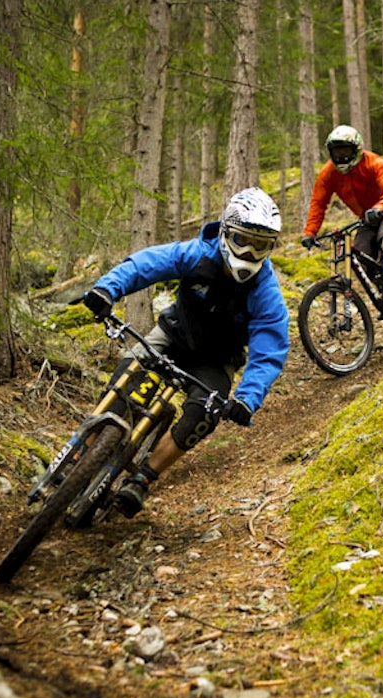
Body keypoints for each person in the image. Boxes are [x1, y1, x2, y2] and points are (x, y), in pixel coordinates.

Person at [81, 187, 289, 517]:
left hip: (217, 360)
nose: (249, 252)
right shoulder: (198, 254)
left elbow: (270, 346)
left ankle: (143, 479)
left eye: (260, 245)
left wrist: (247, 398)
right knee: (127, 380)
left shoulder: (266, 290)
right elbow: (147, 264)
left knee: (203, 415)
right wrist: (108, 288)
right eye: (242, 241)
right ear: (225, 234)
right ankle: (82, 455)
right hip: (173, 335)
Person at [301, 124, 383, 306]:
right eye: (336, 152)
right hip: (366, 217)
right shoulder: (328, 173)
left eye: (345, 151)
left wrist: (381, 207)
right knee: (361, 260)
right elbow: (318, 203)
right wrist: (310, 232)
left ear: (356, 149)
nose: (341, 156)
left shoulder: (373, 163)